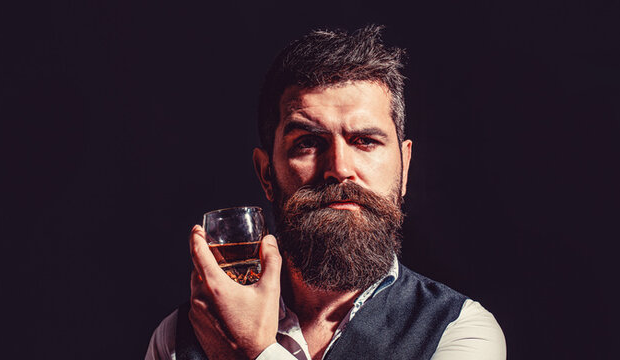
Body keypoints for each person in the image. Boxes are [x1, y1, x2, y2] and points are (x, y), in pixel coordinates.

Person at [145, 25, 506, 360]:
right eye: (308, 143)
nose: (339, 167)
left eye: (364, 141)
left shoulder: (461, 331)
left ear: (405, 166)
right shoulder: (176, 339)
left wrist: (252, 351)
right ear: (266, 173)